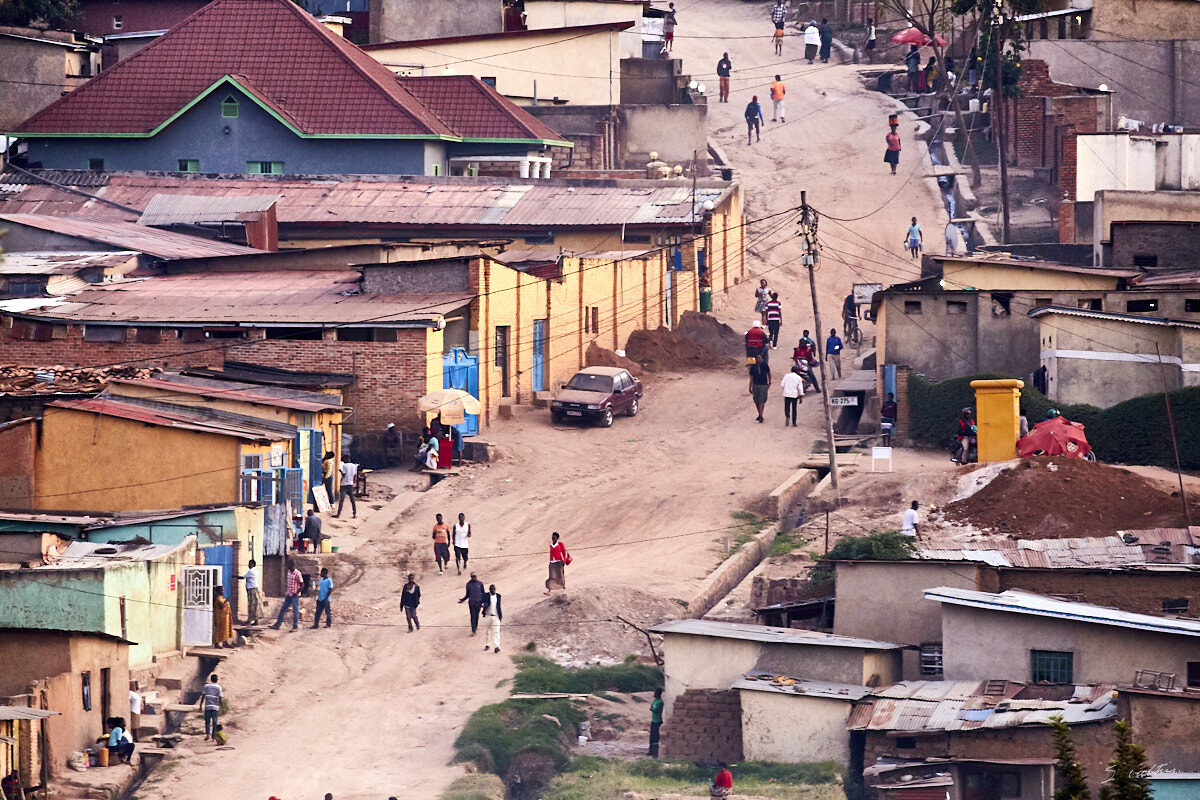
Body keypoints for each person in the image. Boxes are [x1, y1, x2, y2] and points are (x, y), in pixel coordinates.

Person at [271, 561, 302, 630]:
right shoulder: (288, 572)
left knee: (295, 610)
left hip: (294, 595)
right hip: (289, 594)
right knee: (283, 609)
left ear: (293, 565)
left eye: (289, 564)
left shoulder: (297, 573)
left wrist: (297, 593)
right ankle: (278, 624)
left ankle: (295, 626)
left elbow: (302, 584)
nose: (288, 566)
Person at [748, 353, 771, 423]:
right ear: (755, 359)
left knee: (762, 400)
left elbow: (769, 373)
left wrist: (769, 382)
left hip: (763, 385)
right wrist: (750, 387)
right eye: (758, 358)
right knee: (756, 401)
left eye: (760, 357)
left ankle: (761, 415)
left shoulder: (765, 365)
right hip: (756, 385)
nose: (759, 359)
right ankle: (760, 414)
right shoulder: (753, 367)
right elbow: (751, 377)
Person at [239, 559, 262, 625]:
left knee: (251, 605)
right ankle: (255, 621)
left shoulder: (251, 571)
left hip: (252, 590)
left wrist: (234, 577)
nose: (248, 565)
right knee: (255, 605)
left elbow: (242, 577)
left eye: (249, 564)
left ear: (252, 564)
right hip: (254, 589)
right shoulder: (256, 571)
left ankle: (249, 620)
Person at [200, 673, 222, 741]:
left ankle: (207, 734)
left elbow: (203, 696)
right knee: (214, 722)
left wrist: (200, 705)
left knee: (207, 721)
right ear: (217, 680)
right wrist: (222, 706)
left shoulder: (206, 686)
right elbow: (220, 698)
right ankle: (213, 737)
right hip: (215, 707)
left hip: (208, 707)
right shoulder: (218, 687)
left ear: (211, 679)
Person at [482, 583, 502, 653]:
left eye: (494, 589)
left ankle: (497, 646)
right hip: (488, 615)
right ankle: (487, 644)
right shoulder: (486, 595)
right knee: (488, 631)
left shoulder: (499, 596)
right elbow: (482, 603)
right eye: (492, 589)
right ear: (489, 590)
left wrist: (500, 616)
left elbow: (499, 606)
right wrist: (484, 605)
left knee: (496, 631)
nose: (493, 590)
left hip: (496, 616)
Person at [649, 688, 664, 757]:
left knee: (656, 737)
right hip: (653, 720)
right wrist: (652, 709)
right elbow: (651, 707)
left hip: (657, 721)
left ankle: (655, 752)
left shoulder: (660, 702)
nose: (654, 694)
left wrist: (652, 709)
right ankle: (651, 751)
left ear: (658, 694)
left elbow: (655, 710)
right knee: (652, 737)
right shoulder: (655, 700)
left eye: (655, 693)